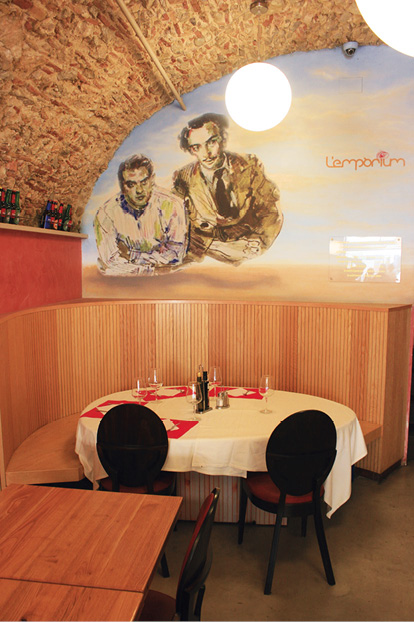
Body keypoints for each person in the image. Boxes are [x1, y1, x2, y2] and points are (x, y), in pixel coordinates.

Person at [172, 112, 283, 266]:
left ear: (222, 139)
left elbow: (271, 211)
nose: (206, 153)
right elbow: (175, 222)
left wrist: (258, 244)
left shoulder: (249, 165)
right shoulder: (184, 177)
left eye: (211, 142)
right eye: (197, 147)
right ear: (191, 150)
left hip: (250, 247)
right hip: (210, 255)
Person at [94, 154, 188, 276]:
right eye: (131, 185)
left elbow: (175, 255)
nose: (139, 190)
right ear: (122, 186)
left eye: (144, 182)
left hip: (165, 282)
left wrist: (131, 255)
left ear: (152, 180)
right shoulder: (106, 213)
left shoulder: (173, 205)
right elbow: (111, 263)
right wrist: (154, 269)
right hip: (124, 283)